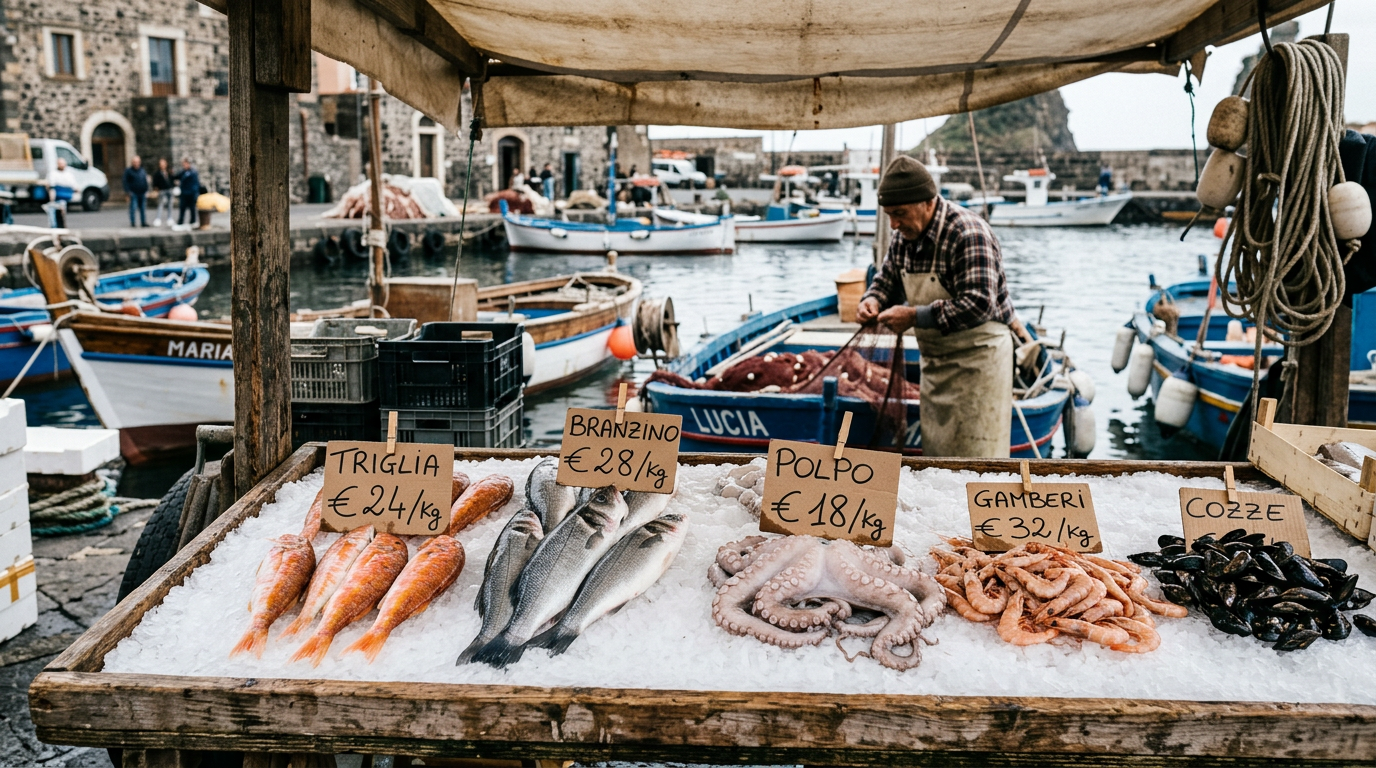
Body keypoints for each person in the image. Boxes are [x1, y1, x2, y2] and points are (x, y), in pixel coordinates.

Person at [856, 155, 1016, 458]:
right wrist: (871, 300)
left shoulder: (968, 233)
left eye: (899, 213)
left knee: (979, 463)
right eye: (889, 215)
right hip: (937, 366)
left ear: (927, 202)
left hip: (980, 365)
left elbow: (979, 304)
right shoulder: (903, 237)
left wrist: (915, 315)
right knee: (939, 463)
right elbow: (887, 281)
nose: (894, 223)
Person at [46, 157, 77, 229]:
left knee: (60, 205)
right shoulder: (53, 174)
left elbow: (74, 186)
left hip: (65, 194)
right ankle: (54, 225)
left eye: (63, 164)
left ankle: (59, 225)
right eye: (60, 164)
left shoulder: (69, 175)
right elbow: (51, 185)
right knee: (54, 206)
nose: (62, 165)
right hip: (57, 193)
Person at [123, 155, 149, 227]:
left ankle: (143, 222)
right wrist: (128, 192)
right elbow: (125, 182)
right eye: (134, 162)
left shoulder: (142, 170)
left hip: (142, 192)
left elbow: (145, 180)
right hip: (134, 192)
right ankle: (133, 222)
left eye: (137, 162)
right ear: (132, 162)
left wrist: (147, 190)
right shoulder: (128, 171)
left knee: (143, 209)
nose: (136, 163)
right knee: (133, 208)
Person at [175, 158, 200, 228]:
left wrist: (194, 193)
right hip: (184, 193)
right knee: (182, 208)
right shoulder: (183, 172)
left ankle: (193, 221)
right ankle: (181, 221)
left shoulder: (193, 172)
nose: (184, 166)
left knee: (192, 208)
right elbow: (177, 177)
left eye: (185, 164)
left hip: (191, 193)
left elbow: (195, 184)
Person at [151, 158, 174, 226]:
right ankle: (158, 218)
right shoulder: (157, 173)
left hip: (169, 189)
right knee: (161, 204)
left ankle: (169, 218)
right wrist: (156, 188)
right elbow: (155, 182)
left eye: (164, 164)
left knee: (170, 204)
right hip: (162, 190)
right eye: (161, 164)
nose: (163, 166)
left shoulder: (169, 172)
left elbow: (172, 179)